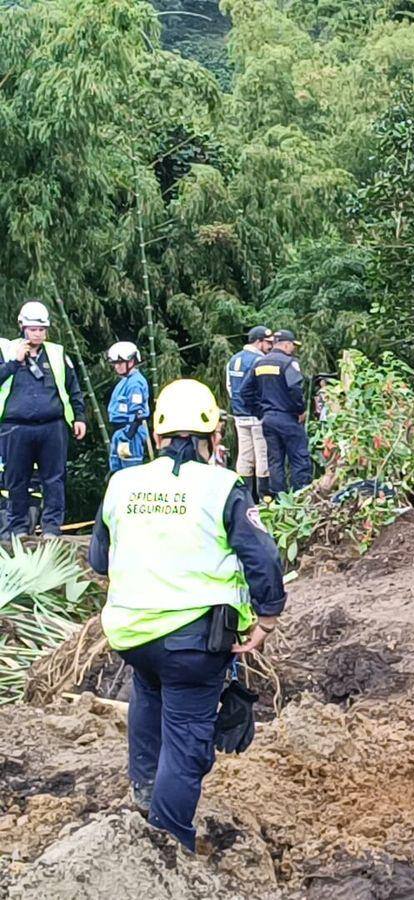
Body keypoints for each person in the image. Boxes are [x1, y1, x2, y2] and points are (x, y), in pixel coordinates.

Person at [87, 378, 285, 853]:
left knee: (149, 693)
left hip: (133, 634)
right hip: (194, 643)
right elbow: (263, 559)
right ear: (215, 437)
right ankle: (168, 840)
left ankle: (142, 793)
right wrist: (268, 619)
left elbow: (98, 560)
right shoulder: (222, 486)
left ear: (157, 437)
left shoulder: (122, 484)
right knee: (187, 738)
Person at [0, 301, 86, 536]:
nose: (37, 333)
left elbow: (72, 387)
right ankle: (17, 527)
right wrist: (13, 363)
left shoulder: (57, 354)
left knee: (54, 478)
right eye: (32, 329)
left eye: (41, 329)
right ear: (22, 327)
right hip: (15, 426)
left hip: (52, 426)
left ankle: (51, 527)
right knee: (16, 479)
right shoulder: (6, 350)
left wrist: (79, 417)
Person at [241, 329, 311, 496]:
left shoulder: (260, 363)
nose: (293, 349)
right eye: (292, 346)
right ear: (286, 344)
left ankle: (278, 500)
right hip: (288, 418)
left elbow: (245, 391)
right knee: (299, 459)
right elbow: (295, 388)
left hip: (268, 420)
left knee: (275, 461)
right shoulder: (288, 363)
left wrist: (260, 412)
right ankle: (300, 498)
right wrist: (300, 410)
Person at [225, 326, 273, 501]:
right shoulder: (259, 361)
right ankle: (264, 497)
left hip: (239, 415)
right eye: (268, 342)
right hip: (256, 416)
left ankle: (244, 496)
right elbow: (261, 389)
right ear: (258, 341)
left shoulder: (233, 359)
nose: (270, 346)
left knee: (244, 456)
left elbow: (230, 388)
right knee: (262, 456)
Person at [106, 342, 151, 472]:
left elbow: (138, 414)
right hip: (120, 433)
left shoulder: (135, 383)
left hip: (130, 433)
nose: (117, 366)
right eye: (115, 363)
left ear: (131, 361)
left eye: (120, 362)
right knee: (117, 470)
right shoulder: (125, 381)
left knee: (129, 471)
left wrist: (128, 436)